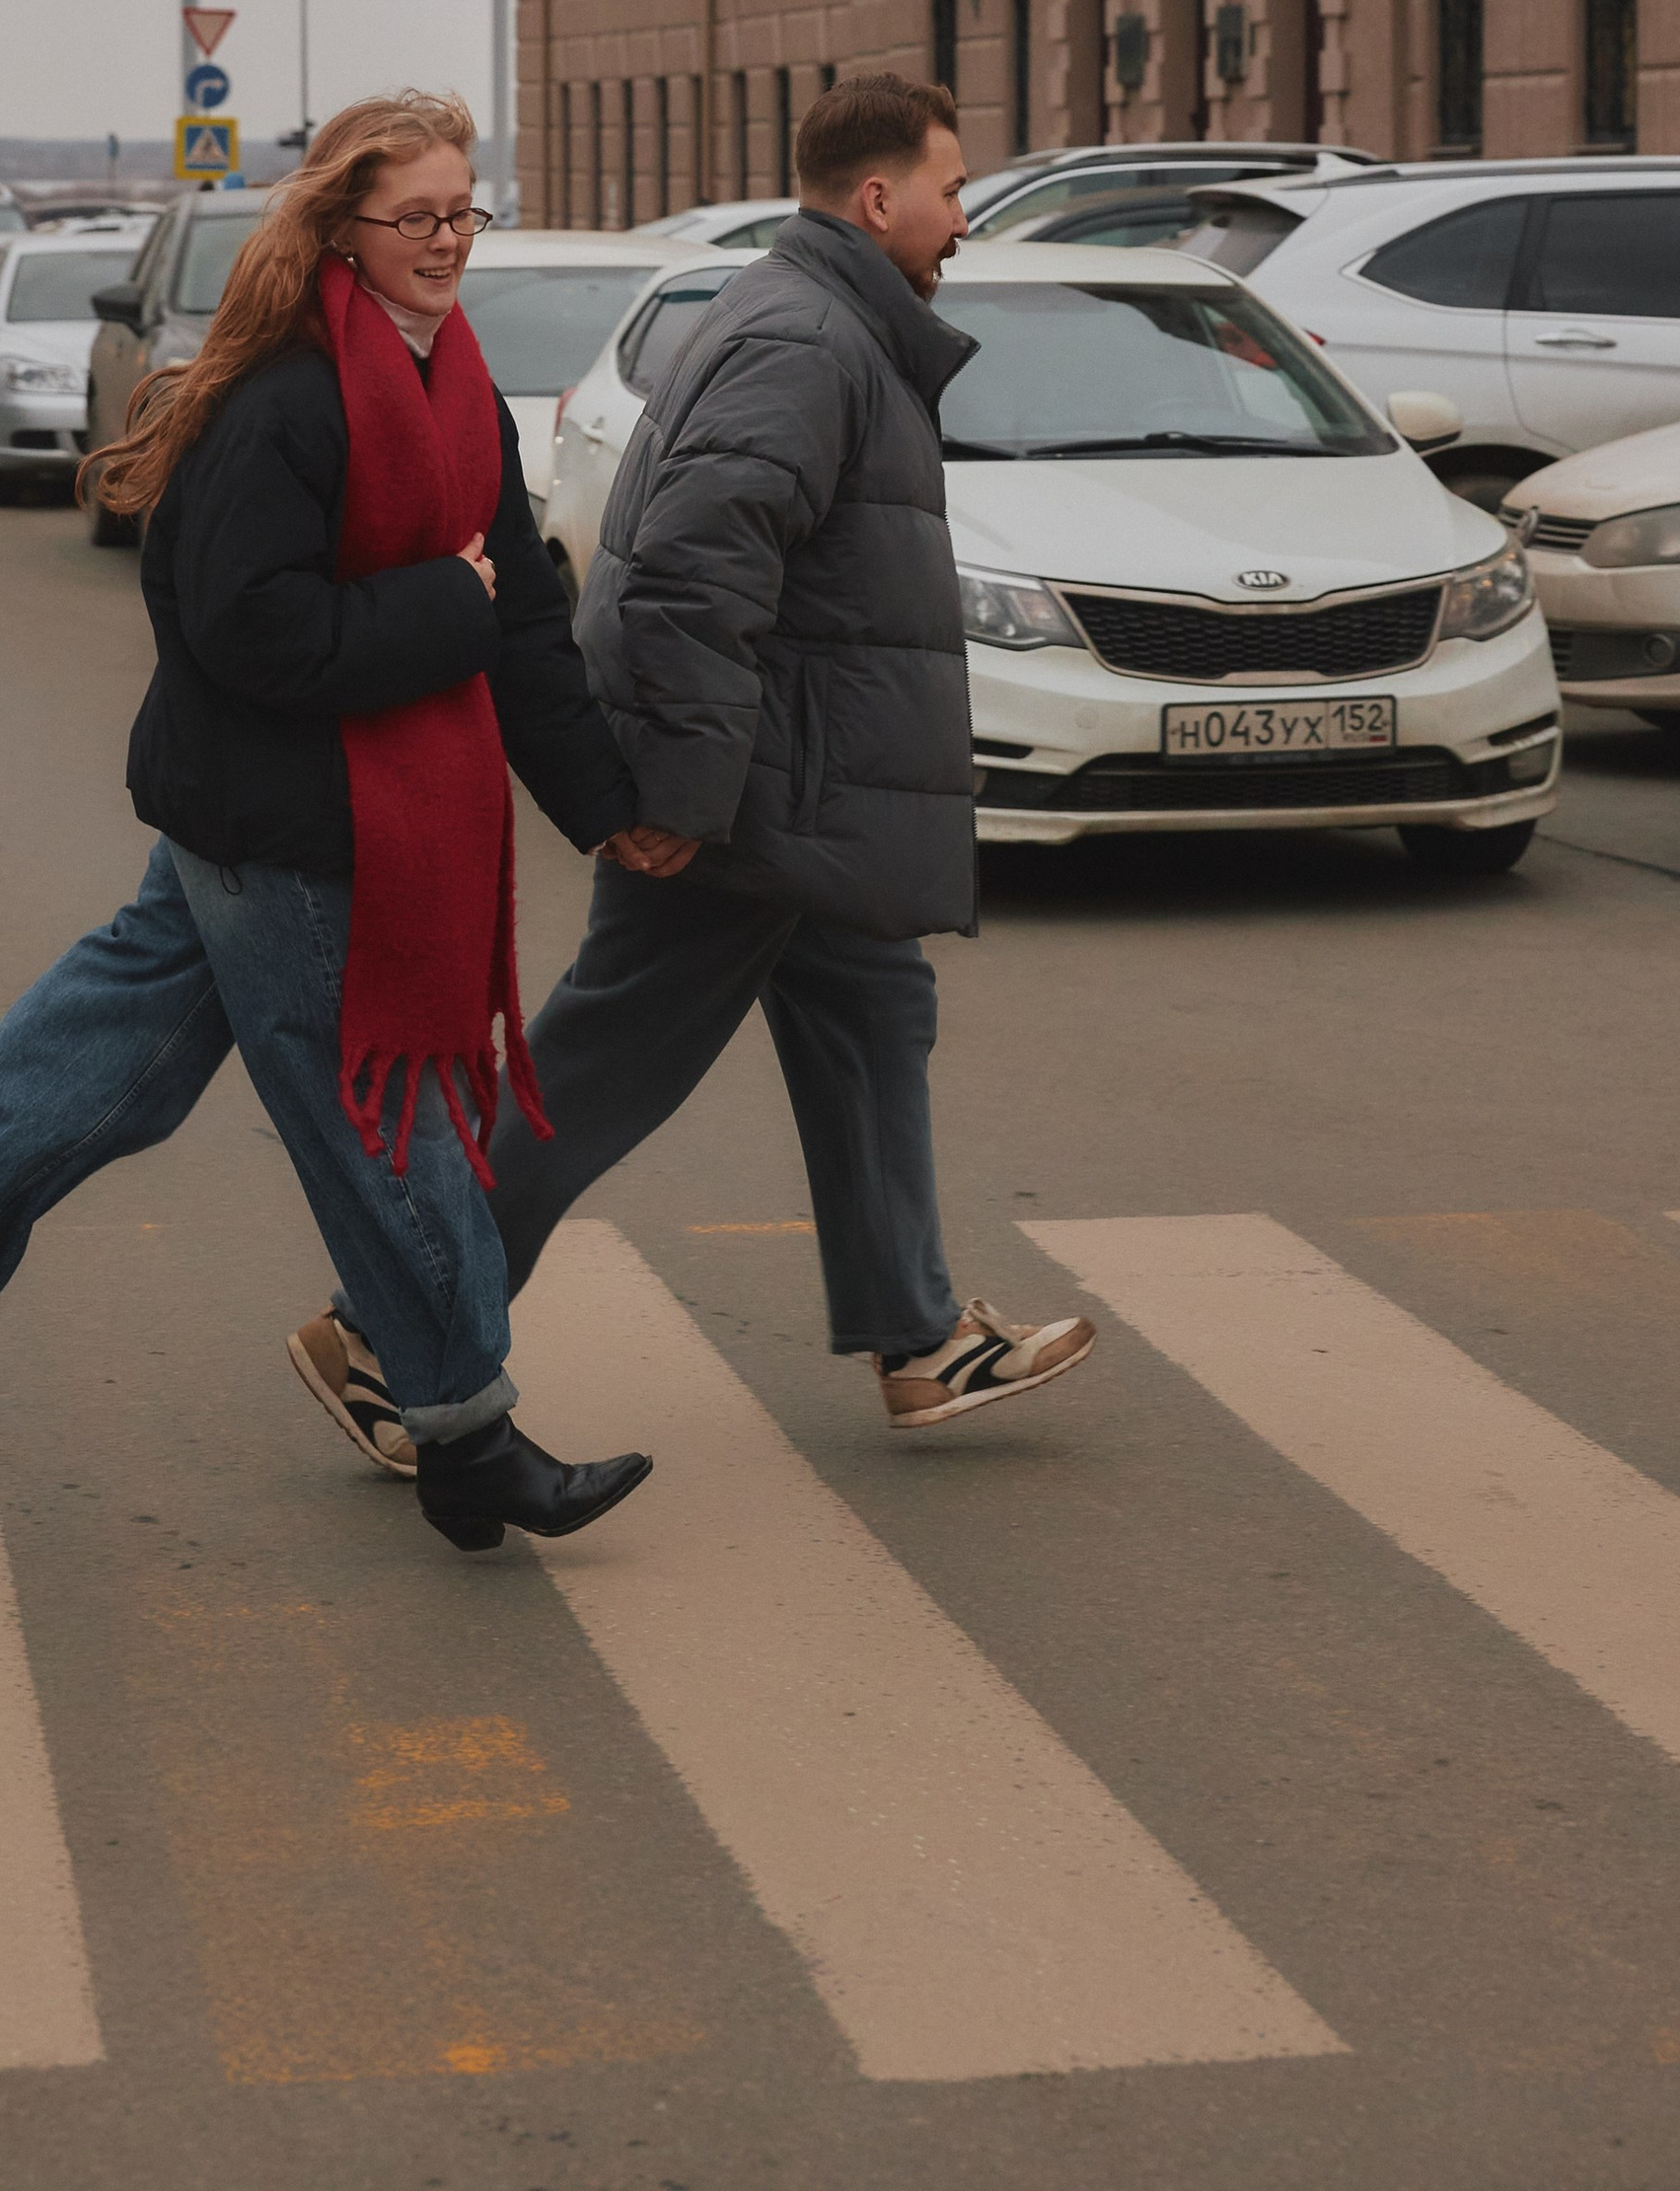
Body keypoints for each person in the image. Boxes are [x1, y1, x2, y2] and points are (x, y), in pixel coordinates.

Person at [0, 89, 685, 1557]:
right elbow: (247, 634)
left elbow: (529, 634)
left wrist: (605, 809)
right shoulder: (288, 401)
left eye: (462, 211)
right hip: (289, 829)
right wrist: (445, 602)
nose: (447, 241)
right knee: (387, 1127)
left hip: (299, 823)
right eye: (416, 217)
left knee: (98, 1070)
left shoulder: (459, 392)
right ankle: (465, 1437)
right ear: (342, 234)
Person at [295, 71, 1093, 1457]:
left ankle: (919, 1335)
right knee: (603, 1064)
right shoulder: (808, 339)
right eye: (953, 189)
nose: (966, 219)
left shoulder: (830, 320)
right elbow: (686, 578)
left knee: (872, 1016)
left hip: (794, 784)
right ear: (879, 197)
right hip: (750, 790)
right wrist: (672, 799)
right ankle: (382, 1324)